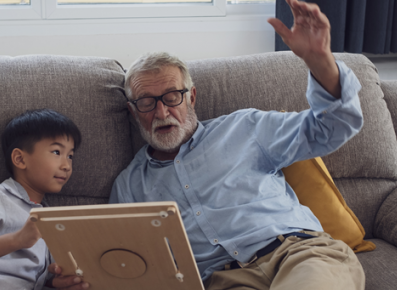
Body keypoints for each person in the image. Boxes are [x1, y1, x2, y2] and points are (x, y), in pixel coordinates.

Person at [49, 0, 365, 289]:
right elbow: (123, 265)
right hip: (223, 281)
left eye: (172, 97)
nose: (162, 112)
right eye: (146, 102)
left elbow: (331, 128)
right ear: (133, 112)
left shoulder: (245, 128)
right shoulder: (129, 187)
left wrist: (320, 61)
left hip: (298, 254)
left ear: (192, 97)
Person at [0, 109, 82, 290]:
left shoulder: (52, 220)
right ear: (20, 159)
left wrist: (54, 281)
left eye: (70, 156)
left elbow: (36, 275)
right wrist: (18, 240)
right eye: (57, 152)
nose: (66, 165)